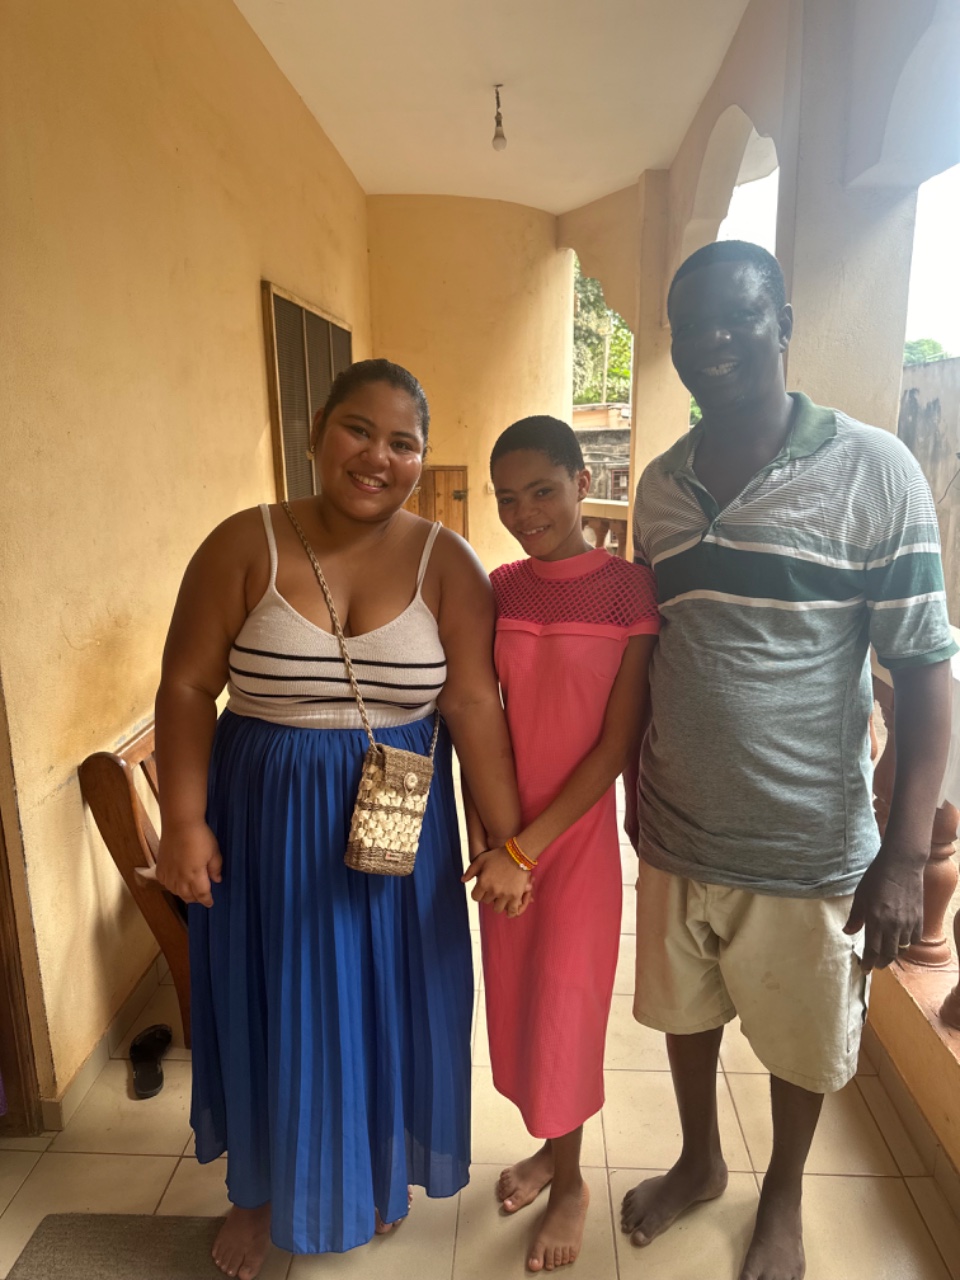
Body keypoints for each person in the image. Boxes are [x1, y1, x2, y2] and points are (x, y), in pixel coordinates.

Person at [623, 240, 955, 1280]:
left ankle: (783, 1194)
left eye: (738, 315)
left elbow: (925, 669)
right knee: (685, 1014)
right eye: (691, 324)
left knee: (803, 1037)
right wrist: (634, 786)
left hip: (808, 843)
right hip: (678, 827)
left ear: (785, 324)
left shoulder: (874, 470)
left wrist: (905, 854)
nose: (712, 339)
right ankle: (699, 1161)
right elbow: (654, 648)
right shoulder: (661, 486)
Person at [155, 359, 523, 1279]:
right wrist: (184, 822)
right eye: (360, 430)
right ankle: (258, 1193)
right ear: (318, 429)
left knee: (383, 1004)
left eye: (404, 443)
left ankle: (372, 1171)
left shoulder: (449, 562)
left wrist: (510, 841)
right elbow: (188, 686)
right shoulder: (244, 542)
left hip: (396, 830)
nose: (378, 457)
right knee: (271, 1002)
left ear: (423, 458)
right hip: (265, 825)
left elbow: (472, 704)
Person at [464, 417, 660, 1273]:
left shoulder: (630, 590)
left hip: (572, 843)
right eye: (507, 498)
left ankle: (572, 1183)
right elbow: (477, 714)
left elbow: (616, 744)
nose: (524, 514)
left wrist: (525, 853)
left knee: (564, 1012)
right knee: (519, 1005)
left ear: (584, 482)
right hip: (505, 831)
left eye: (542, 491)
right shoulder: (499, 587)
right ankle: (551, 1149)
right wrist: (489, 835)